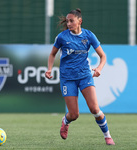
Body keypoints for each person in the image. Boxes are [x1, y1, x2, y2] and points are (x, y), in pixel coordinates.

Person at [45, 8, 115, 145]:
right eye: (67, 21)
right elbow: (53, 53)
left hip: (85, 76)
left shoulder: (89, 36)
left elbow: (103, 56)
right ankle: (66, 121)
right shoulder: (62, 37)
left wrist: (99, 68)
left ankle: (107, 136)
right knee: (74, 115)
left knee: (95, 109)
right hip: (67, 78)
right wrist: (49, 69)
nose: (69, 23)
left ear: (80, 21)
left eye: (72, 21)